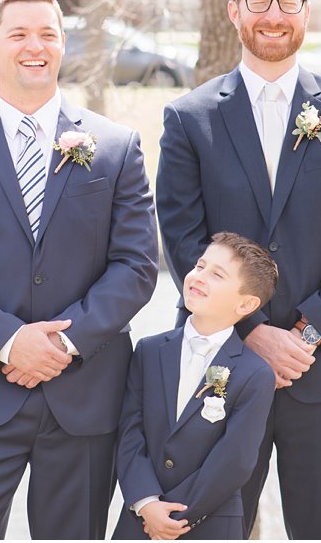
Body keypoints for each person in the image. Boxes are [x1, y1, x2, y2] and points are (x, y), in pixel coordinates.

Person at [155, 0, 321, 539]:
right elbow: (184, 239)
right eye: (259, 0)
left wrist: (304, 336)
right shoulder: (190, 118)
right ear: (233, 12)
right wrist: (253, 330)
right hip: (222, 366)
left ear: (306, 13)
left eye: (288, 2)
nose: (274, 14)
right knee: (210, 528)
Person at [0, 0, 159, 539]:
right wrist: (9, 341)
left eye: (48, 34)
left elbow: (137, 265)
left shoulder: (116, 147)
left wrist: (60, 344)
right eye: (18, 34)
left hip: (84, 397)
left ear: (63, 44)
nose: (34, 46)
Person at [113, 232, 278, 541]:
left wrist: (174, 517)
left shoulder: (255, 374)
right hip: (140, 520)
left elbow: (235, 459)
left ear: (247, 303)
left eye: (217, 274)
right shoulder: (148, 351)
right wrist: (147, 503)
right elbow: (129, 431)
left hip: (208, 523)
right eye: (200, 266)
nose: (199, 277)